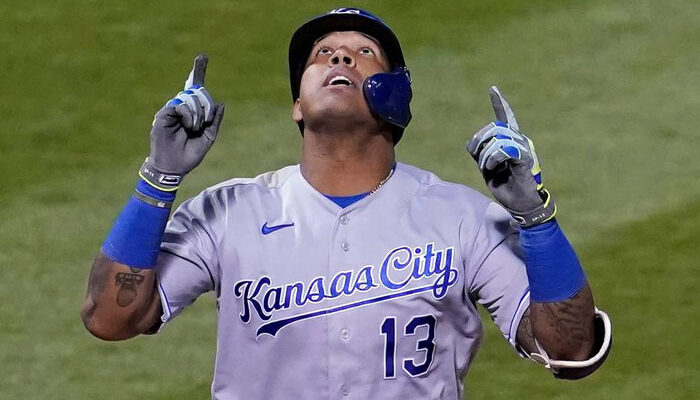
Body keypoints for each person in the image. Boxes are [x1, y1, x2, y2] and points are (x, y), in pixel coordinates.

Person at [81, 7, 612, 399]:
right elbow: (110, 318)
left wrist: (535, 219)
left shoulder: (463, 219)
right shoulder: (227, 213)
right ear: (297, 104)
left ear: (395, 96)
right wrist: (159, 179)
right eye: (322, 55)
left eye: (364, 54)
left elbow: (569, 350)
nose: (339, 57)